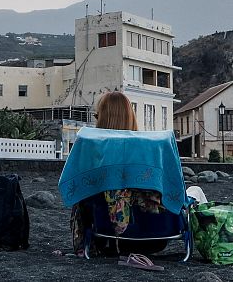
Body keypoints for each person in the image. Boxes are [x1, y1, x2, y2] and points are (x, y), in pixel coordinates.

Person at [70, 91, 166, 256]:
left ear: (103, 118)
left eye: (96, 116)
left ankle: (86, 244)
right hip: (159, 235)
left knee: (82, 192)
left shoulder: (92, 152)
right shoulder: (151, 150)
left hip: (112, 236)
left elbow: (72, 188)